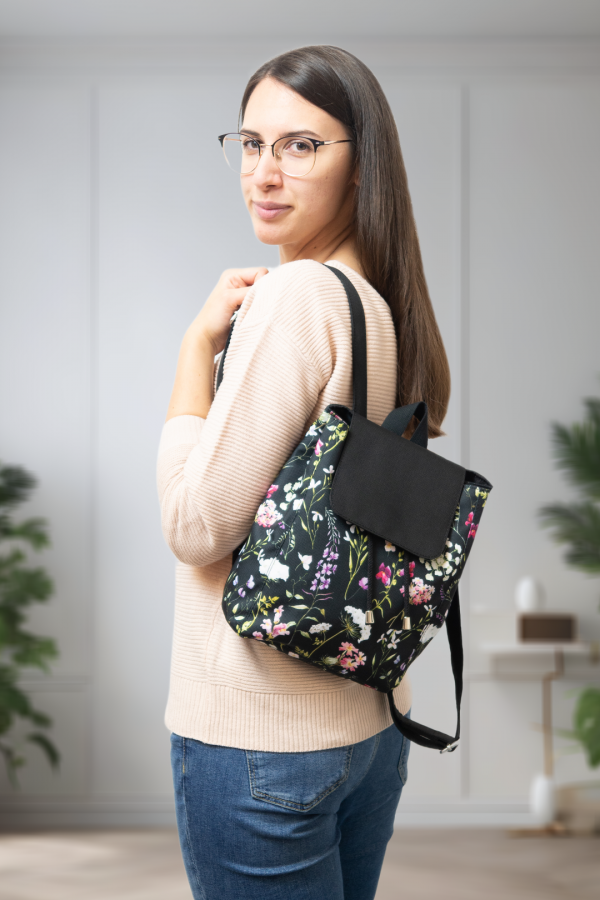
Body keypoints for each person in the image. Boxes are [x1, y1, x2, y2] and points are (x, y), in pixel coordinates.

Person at [157, 44, 450, 900]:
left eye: (301, 146)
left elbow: (194, 527)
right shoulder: (378, 307)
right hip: (368, 726)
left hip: (263, 738)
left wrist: (194, 350)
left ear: (362, 166)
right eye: (252, 144)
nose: (264, 172)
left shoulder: (296, 299)